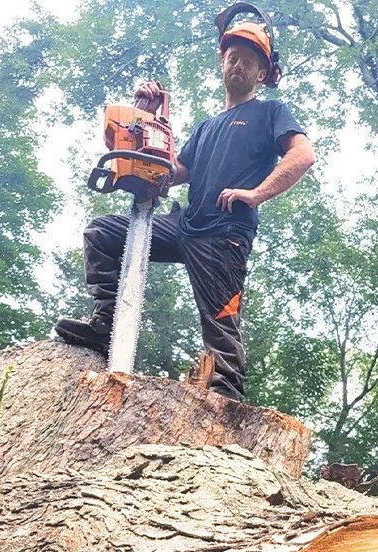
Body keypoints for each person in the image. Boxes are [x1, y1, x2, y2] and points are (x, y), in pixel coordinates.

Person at [55, 15, 316, 402]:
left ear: (262, 73)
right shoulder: (207, 127)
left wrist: (257, 193)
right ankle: (105, 324)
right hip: (186, 224)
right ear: (222, 62)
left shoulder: (270, 112)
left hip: (224, 235)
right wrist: (146, 122)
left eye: (248, 60)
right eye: (233, 57)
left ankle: (226, 401)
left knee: (221, 328)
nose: (238, 64)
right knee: (102, 234)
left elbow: (303, 154)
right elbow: (172, 172)